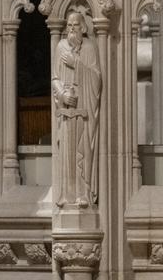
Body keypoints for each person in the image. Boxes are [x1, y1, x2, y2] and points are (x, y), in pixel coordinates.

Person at [52, 11, 101, 208]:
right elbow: (55, 78)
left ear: (83, 27)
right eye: (69, 25)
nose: (72, 28)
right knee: (66, 152)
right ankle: (66, 194)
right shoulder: (60, 47)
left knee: (83, 150)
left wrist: (77, 65)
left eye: (75, 25)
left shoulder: (89, 47)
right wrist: (63, 95)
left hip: (83, 109)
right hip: (66, 110)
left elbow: (96, 78)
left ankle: (83, 194)